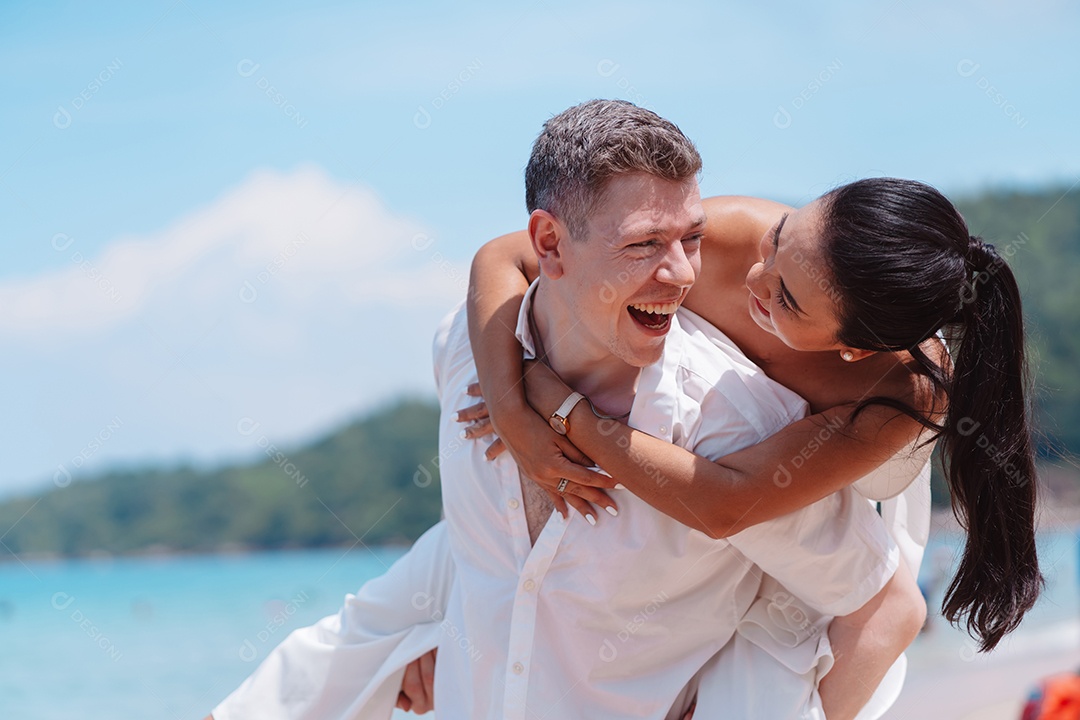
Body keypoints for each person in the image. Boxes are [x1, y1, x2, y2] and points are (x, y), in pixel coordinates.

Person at [209, 100, 921, 720]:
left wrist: (562, 411)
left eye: (690, 240)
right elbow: (496, 264)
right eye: (645, 244)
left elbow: (862, 592)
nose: (684, 274)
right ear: (550, 243)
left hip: (809, 473)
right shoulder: (469, 347)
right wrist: (450, 635)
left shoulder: (742, 422)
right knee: (333, 654)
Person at [460, 174, 1042, 657]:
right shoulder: (739, 229)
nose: (754, 279)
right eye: (780, 240)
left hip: (864, 476)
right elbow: (504, 254)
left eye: (786, 297)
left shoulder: (905, 394)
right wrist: (512, 412)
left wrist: (561, 406)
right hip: (750, 430)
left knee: (887, 615)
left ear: (854, 349)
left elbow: (726, 503)